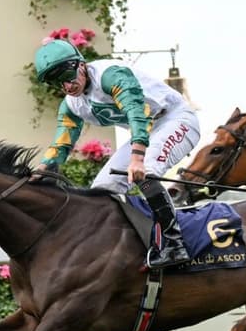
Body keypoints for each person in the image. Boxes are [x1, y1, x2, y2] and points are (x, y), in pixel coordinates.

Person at [33, 39, 201, 269]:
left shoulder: (110, 75)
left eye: (68, 75)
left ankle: (174, 243)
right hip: (149, 129)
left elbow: (137, 113)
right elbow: (61, 145)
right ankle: (120, 245)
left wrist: (137, 158)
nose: (67, 86)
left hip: (175, 119)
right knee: (101, 190)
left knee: (147, 170)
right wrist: (38, 173)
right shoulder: (72, 105)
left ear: (81, 64)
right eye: (57, 82)